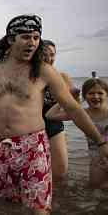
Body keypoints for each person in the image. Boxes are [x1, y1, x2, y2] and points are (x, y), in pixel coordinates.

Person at [0, 14, 108, 214]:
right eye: (26, 37)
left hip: (34, 148)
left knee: (39, 207)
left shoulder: (43, 71)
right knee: (6, 204)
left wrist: (100, 142)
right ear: (11, 39)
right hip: (2, 147)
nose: (32, 43)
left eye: (36, 37)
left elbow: (73, 108)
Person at [46, 78, 108, 189]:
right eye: (91, 93)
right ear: (84, 96)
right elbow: (50, 115)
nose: (96, 96)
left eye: (100, 93)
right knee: (96, 190)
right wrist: (68, 97)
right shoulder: (81, 114)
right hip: (97, 161)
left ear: (107, 95)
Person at [42, 39, 79, 181]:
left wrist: (75, 96)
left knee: (60, 172)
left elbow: (74, 108)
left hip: (54, 124)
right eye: (44, 54)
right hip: (31, 127)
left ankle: (58, 199)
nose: (49, 58)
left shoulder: (62, 77)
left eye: (52, 54)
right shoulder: (31, 77)